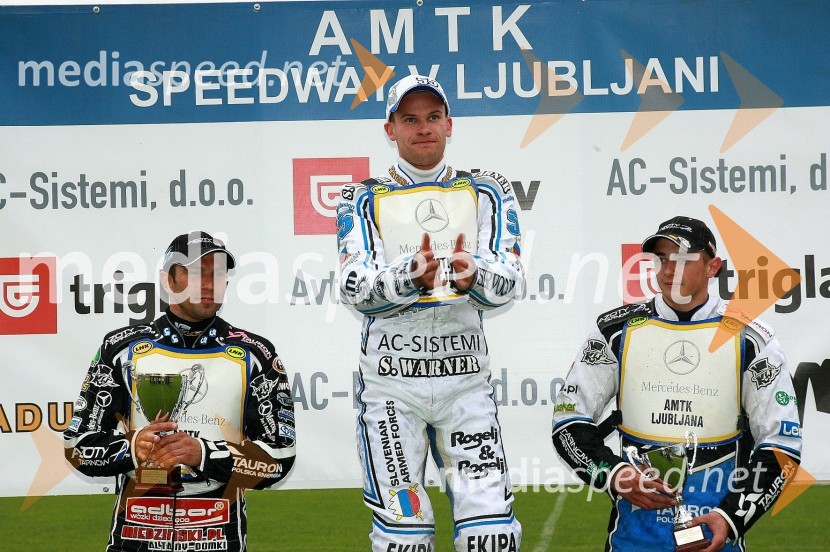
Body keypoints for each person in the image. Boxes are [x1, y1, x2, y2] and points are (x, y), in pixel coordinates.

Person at [337, 74, 524, 551]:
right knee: (404, 537)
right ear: (390, 129)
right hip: (391, 386)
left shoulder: (488, 190)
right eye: (410, 119)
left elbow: (511, 280)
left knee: (492, 534)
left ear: (449, 124)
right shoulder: (361, 195)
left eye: (433, 117)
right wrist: (408, 278)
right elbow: (352, 285)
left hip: (465, 383)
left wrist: (471, 276)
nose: (424, 128)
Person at [552, 216, 803, 551]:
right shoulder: (615, 330)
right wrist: (615, 475)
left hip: (715, 536)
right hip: (633, 539)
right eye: (662, 259)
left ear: (713, 266)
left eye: (684, 259)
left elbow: (783, 444)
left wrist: (730, 518)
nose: (669, 269)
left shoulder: (752, 338)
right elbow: (567, 421)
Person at [64, 231, 296, 552]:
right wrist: (133, 448)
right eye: (196, 271)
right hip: (134, 538)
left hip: (219, 539)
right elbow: (77, 447)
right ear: (168, 281)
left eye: (217, 273)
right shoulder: (121, 349)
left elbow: (280, 458)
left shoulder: (256, 355)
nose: (209, 282)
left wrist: (202, 453)